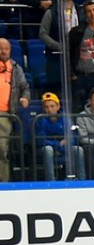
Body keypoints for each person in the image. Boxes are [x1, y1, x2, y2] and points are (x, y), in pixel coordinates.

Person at [0, 37, 32, 183]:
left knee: (2, 150)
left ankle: (3, 183)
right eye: (0, 48)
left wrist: (25, 98)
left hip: (6, 115)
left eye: (6, 48)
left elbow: (25, 87)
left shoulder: (16, 68)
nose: (3, 51)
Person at [34, 92, 85, 181]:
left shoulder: (66, 118)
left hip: (64, 148)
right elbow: (40, 140)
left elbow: (72, 136)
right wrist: (57, 144)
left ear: (58, 106)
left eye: (52, 106)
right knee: (48, 150)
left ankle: (81, 180)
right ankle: (51, 181)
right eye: (46, 107)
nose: (49, 109)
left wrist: (61, 147)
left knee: (78, 150)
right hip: (46, 149)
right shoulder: (40, 119)